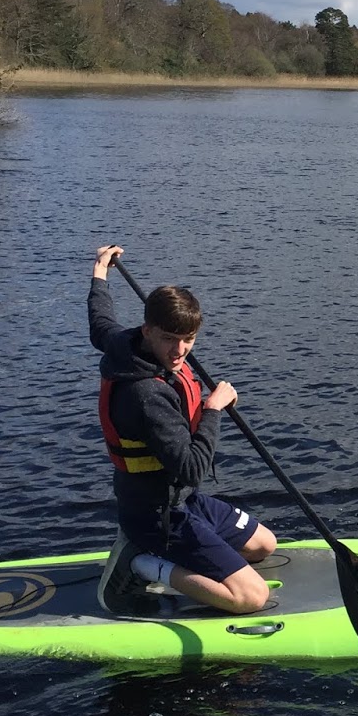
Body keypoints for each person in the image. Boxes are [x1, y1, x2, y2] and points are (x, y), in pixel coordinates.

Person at [89, 244, 277, 614]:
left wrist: (100, 272)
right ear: (148, 330)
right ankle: (139, 562)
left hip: (182, 500)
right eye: (168, 339)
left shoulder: (125, 344)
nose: (179, 350)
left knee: (263, 545)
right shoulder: (148, 396)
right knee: (250, 597)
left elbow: (100, 323)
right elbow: (191, 468)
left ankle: (157, 550)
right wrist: (212, 409)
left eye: (188, 339)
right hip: (155, 514)